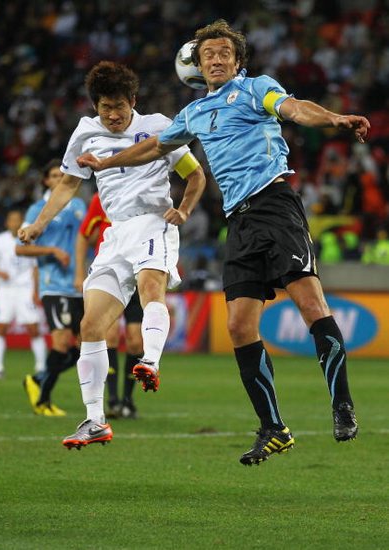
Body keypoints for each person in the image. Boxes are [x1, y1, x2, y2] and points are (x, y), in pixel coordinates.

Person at [77, 21, 370, 466]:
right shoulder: (194, 112)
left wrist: (332, 118)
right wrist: (107, 161)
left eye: (224, 53)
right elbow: (155, 146)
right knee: (238, 327)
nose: (215, 59)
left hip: (275, 205)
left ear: (237, 61)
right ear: (198, 65)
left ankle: (342, 403)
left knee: (311, 304)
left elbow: (293, 108)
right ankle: (274, 428)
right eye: (208, 54)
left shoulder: (255, 89)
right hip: (238, 221)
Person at [18, 61, 206, 450]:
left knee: (151, 288)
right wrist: (38, 224)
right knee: (90, 326)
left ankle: (149, 361)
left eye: (119, 106)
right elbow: (68, 184)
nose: (113, 115)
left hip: (153, 222)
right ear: (96, 106)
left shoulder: (158, 126)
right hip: (115, 233)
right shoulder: (85, 132)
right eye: (106, 107)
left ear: (133, 101)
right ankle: (95, 420)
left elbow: (195, 175)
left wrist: (184, 210)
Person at [16, 159, 86, 416]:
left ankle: (36, 380)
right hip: (53, 284)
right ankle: (43, 400)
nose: (58, 179)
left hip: (78, 283)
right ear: (46, 181)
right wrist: (52, 251)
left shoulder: (78, 206)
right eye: (54, 176)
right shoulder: (37, 210)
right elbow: (20, 248)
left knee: (83, 348)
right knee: (61, 342)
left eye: (62, 175)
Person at [75, 192, 143, 419]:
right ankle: (112, 399)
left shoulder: (144, 192)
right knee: (110, 337)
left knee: (136, 341)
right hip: (110, 277)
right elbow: (84, 234)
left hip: (137, 274)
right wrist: (78, 273)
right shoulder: (102, 197)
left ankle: (128, 400)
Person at [0, 209, 46, 379]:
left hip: (25, 288)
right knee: (1, 327)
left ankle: (41, 366)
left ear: (22, 222)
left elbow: (35, 267)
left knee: (33, 328)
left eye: (17, 219)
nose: (14, 223)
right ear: (7, 223)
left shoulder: (29, 239)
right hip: (5, 289)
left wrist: (35, 290)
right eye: (11, 220)